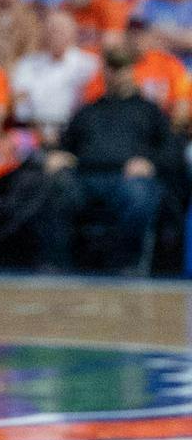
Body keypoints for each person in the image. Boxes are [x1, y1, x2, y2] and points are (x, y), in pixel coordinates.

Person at [42, 44, 170, 273]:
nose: (117, 73)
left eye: (122, 67)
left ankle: (125, 265)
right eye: (112, 67)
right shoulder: (88, 110)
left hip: (127, 179)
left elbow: (170, 150)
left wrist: (150, 162)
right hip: (85, 177)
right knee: (56, 184)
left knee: (139, 195)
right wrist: (59, 156)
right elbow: (66, 145)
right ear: (105, 71)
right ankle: (57, 266)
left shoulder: (149, 110)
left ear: (132, 70)